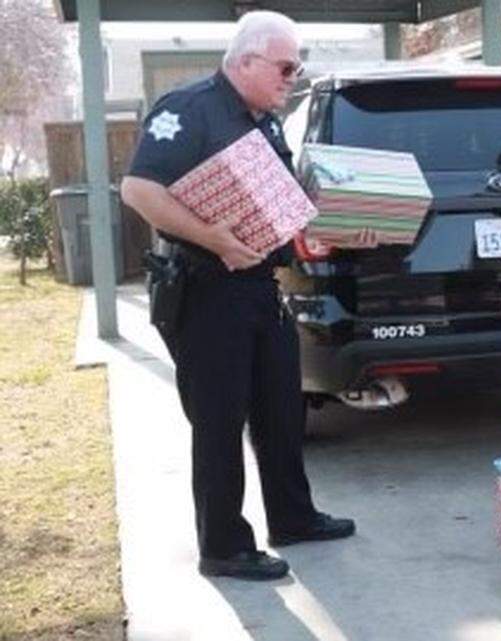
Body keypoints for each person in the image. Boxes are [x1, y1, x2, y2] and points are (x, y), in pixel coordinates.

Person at [121, 11, 354, 581]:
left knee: (280, 407)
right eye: (284, 66)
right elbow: (138, 189)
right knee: (220, 420)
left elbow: (284, 209)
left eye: (297, 68)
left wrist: (344, 228)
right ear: (244, 59)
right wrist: (213, 239)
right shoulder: (189, 110)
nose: (291, 78)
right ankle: (223, 546)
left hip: (260, 288)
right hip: (205, 290)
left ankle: (293, 518)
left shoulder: (266, 123)